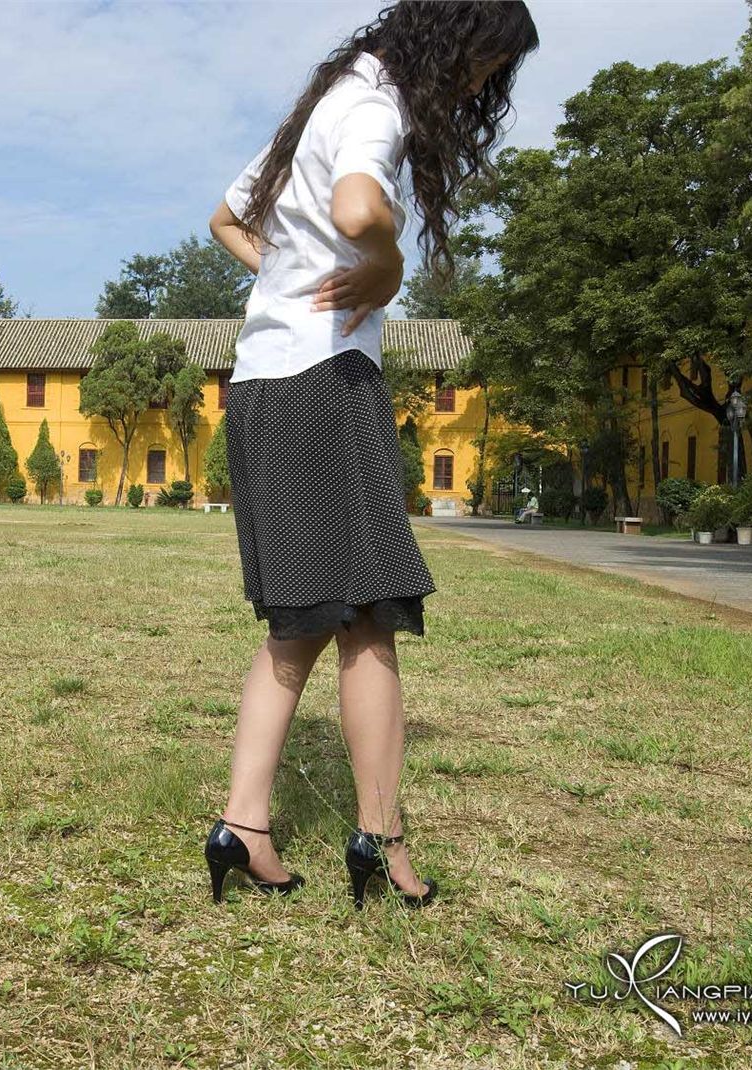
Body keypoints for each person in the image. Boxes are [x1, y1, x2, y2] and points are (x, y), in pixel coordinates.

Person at [204, 1, 538, 910]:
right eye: (487, 70)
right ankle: (383, 842)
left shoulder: (327, 100)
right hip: (326, 381)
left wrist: (288, 279)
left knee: (297, 624)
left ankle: (244, 825)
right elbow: (357, 206)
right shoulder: (378, 105)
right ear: (460, 46)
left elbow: (226, 219)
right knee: (370, 619)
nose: (482, 90)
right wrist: (383, 261)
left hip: (262, 384)